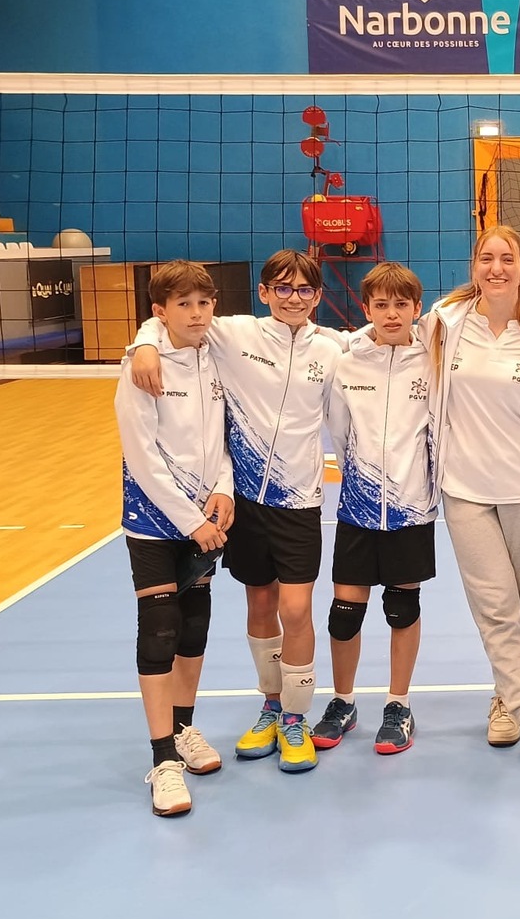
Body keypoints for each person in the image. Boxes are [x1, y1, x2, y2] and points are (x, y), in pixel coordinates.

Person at [128, 249, 347, 775]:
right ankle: (271, 705)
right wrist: (144, 344)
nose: (293, 298)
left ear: (318, 296)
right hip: (244, 501)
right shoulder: (233, 334)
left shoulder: (333, 347)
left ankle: (295, 717)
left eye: (304, 290)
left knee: (297, 610)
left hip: (299, 501)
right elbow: (172, 316)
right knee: (261, 605)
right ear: (264, 293)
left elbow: (390, 337)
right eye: (282, 288)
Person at [424, 226, 520, 773]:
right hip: (464, 488)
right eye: (486, 258)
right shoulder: (444, 322)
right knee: (496, 606)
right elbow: (382, 334)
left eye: (507, 259)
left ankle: (505, 697)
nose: (496, 268)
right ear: (474, 266)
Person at [114, 260, 234, 817]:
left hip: (205, 516)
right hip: (156, 520)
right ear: (159, 311)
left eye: (204, 302)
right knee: (160, 630)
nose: (196, 313)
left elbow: (221, 438)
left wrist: (224, 490)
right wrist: (192, 522)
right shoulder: (142, 367)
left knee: (194, 628)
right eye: (183, 304)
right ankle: (163, 759)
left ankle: (184, 729)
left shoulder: (214, 357)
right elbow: (140, 458)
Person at [311, 263, 436, 755]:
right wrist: (365, 483)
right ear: (366, 309)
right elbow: (339, 434)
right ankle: (343, 702)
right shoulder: (347, 363)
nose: (391, 314)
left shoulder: (433, 359)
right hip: (358, 509)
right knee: (344, 615)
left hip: (412, 511)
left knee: (402, 610)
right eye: (380, 305)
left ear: (417, 308)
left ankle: (398, 704)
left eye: (401, 304)